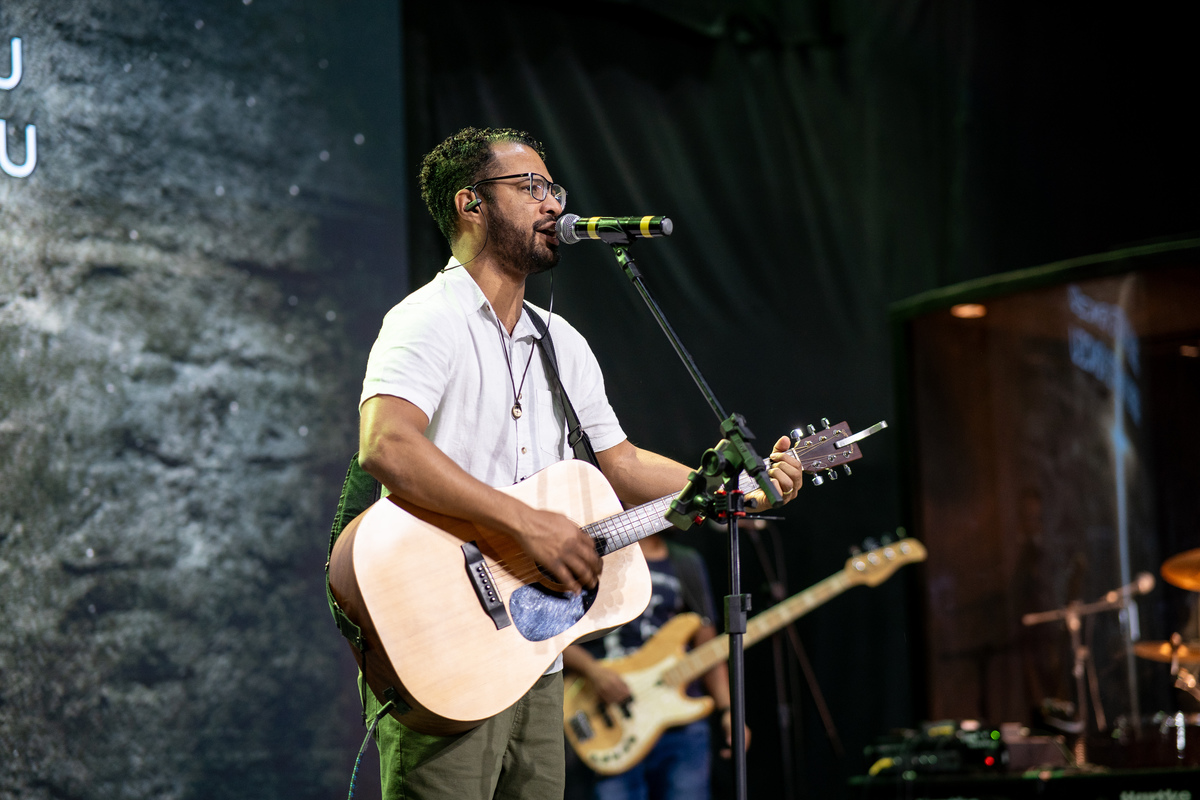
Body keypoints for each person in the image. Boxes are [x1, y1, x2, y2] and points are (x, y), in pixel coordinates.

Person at [355, 126, 803, 800]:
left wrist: (747, 485)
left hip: (536, 651)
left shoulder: (560, 339)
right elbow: (386, 445)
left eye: (554, 188)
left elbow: (618, 464)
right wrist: (527, 524)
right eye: (530, 187)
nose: (553, 205)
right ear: (470, 204)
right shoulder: (427, 318)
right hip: (444, 635)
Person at [563, 533, 744, 800]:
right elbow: (550, 637)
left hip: (681, 722)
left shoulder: (685, 561)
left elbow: (708, 649)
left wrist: (728, 709)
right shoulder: (592, 556)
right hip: (612, 716)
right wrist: (594, 671)